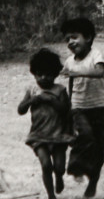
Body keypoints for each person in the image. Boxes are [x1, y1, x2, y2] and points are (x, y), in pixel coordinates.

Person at [17, 48, 74, 199]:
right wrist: (30, 101)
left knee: (60, 167)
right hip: (39, 135)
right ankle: (50, 195)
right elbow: (20, 110)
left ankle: (59, 177)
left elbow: (65, 110)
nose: (43, 78)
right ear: (33, 73)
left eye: (48, 74)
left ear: (55, 74)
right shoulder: (32, 90)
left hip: (58, 134)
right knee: (46, 165)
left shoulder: (60, 90)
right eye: (39, 74)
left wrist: (51, 100)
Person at [61, 17, 104, 199]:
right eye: (67, 40)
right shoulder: (70, 61)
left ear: (87, 37)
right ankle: (75, 165)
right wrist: (69, 106)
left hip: (98, 108)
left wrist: (77, 71)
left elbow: (99, 71)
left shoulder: (95, 54)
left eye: (74, 37)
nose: (70, 42)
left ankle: (93, 182)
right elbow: (71, 84)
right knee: (85, 134)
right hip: (78, 107)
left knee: (99, 147)